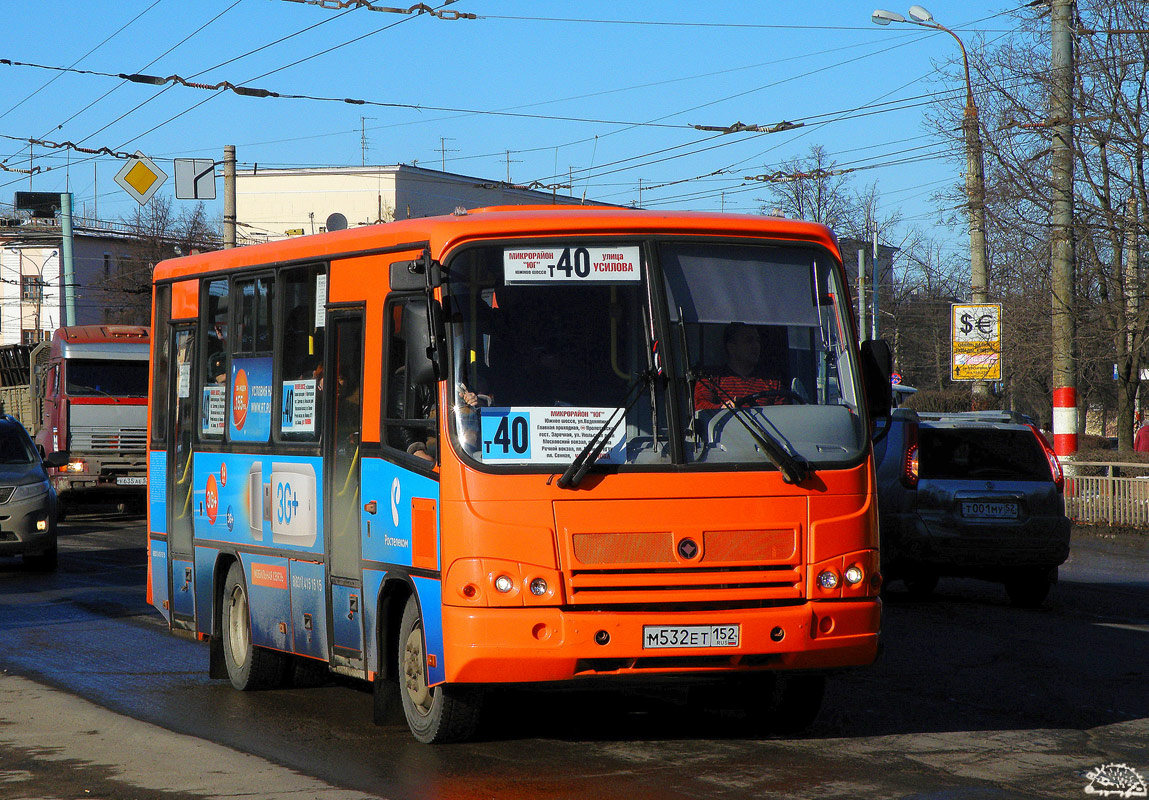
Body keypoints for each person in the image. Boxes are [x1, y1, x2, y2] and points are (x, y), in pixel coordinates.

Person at [693, 322, 784, 410]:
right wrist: (723, 408)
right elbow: (700, 407)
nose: (756, 346)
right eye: (748, 341)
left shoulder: (772, 382)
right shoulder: (710, 379)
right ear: (731, 347)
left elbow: (783, 414)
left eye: (757, 341)